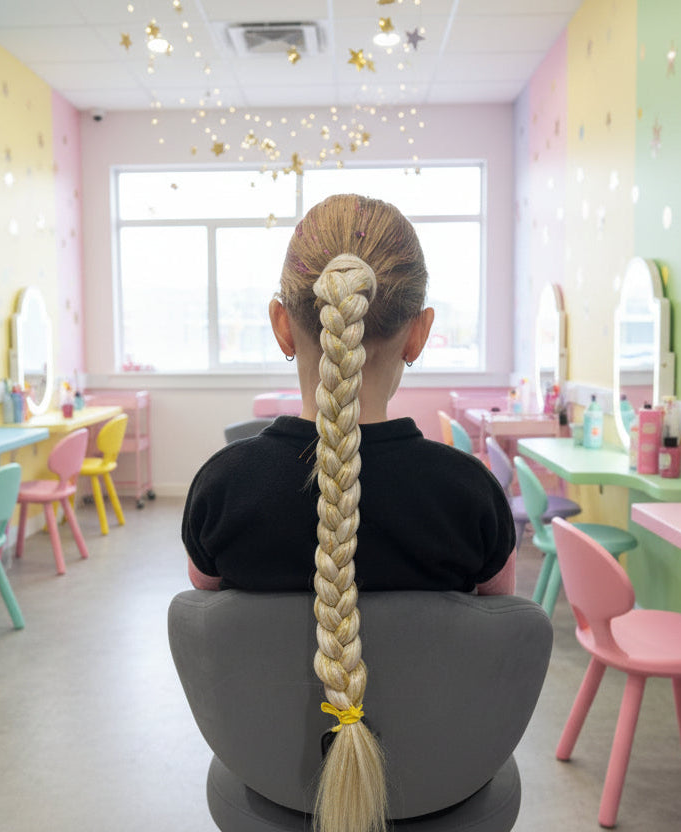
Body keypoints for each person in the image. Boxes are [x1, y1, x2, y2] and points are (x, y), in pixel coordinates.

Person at [182, 194, 516, 832]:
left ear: (284, 325)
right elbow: (501, 624)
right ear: (418, 332)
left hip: (272, 779)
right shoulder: (469, 497)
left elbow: (210, 614)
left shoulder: (222, 491)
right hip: (444, 781)